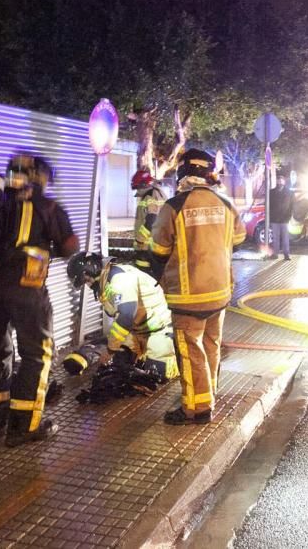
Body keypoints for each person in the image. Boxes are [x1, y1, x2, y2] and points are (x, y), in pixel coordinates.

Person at [0, 153, 79, 446]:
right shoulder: (47, 206)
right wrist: (44, 248)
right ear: (38, 176)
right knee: (36, 355)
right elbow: (70, 247)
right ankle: (24, 426)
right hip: (25, 289)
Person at [150, 149, 246, 425]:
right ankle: (208, 394)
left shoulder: (174, 207)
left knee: (190, 351)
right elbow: (238, 240)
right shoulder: (227, 204)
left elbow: (158, 249)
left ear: (183, 173)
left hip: (187, 296)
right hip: (220, 292)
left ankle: (196, 408)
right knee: (211, 345)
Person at [65, 251, 178, 377]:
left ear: (91, 270)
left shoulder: (120, 279)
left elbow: (125, 317)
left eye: (86, 280)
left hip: (159, 331)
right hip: (137, 332)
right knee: (119, 365)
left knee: (157, 374)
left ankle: (177, 355)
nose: (88, 284)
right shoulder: (107, 279)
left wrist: (110, 350)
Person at [131, 168, 167, 274]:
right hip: (155, 246)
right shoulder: (158, 194)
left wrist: (140, 240)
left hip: (147, 247)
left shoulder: (150, 196)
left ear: (143, 185)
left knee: (144, 276)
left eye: (138, 187)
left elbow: (152, 220)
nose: (137, 191)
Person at [267, 174, 295, 260]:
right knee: (275, 237)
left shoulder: (289, 193)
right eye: (278, 180)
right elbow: (268, 205)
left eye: (281, 180)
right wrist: (270, 217)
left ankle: (286, 254)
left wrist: (289, 216)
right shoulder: (271, 192)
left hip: (285, 219)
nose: (279, 182)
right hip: (275, 219)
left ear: (284, 182)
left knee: (285, 237)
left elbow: (291, 206)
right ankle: (275, 254)